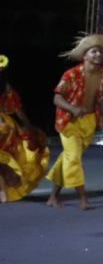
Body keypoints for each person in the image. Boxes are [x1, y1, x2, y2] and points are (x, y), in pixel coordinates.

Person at [46, 31, 103, 210]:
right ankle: (83, 199)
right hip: (68, 121)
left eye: (100, 52)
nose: (98, 54)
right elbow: (57, 98)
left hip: (88, 121)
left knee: (69, 158)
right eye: (94, 51)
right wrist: (72, 108)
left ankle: (53, 197)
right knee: (73, 159)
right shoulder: (71, 74)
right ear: (85, 55)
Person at [0, 54, 50, 203]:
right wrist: (29, 128)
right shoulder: (6, 87)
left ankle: (2, 193)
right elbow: (18, 111)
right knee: (3, 162)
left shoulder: (6, 88)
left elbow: (18, 111)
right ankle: (2, 193)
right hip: (6, 126)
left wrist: (30, 129)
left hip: (3, 126)